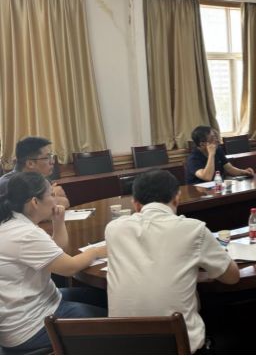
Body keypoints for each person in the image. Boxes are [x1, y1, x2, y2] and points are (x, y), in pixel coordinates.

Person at [105, 169, 240, 353]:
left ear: (135, 204)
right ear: (177, 198)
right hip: (179, 348)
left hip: (124, 349)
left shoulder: (113, 229)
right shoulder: (194, 230)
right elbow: (232, 277)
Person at [0, 173, 108, 352]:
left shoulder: (15, 223)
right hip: (30, 325)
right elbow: (70, 268)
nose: (55, 199)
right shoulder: (25, 234)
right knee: (113, 321)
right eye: (51, 194)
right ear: (35, 202)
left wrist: (58, 221)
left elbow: (58, 251)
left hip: (40, 303)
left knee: (101, 297)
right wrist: (95, 251)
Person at [0, 137, 70, 209]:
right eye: (47, 157)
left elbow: (65, 202)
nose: (52, 161)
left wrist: (49, 198)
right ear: (30, 164)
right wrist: (53, 195)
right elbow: (30, 212)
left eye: (51, 157)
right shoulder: (9, 184)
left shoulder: (42, 178)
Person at [185, 126, 254, 185]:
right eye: (213, 138)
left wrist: (244, 172)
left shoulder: (217, 150)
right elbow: (207, 177)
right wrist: (211, 154)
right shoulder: (192, 159)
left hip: (216, 188)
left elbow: (229, 169)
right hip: (198, 193)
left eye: (215, 136)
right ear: (203, 144)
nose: (216, 140)